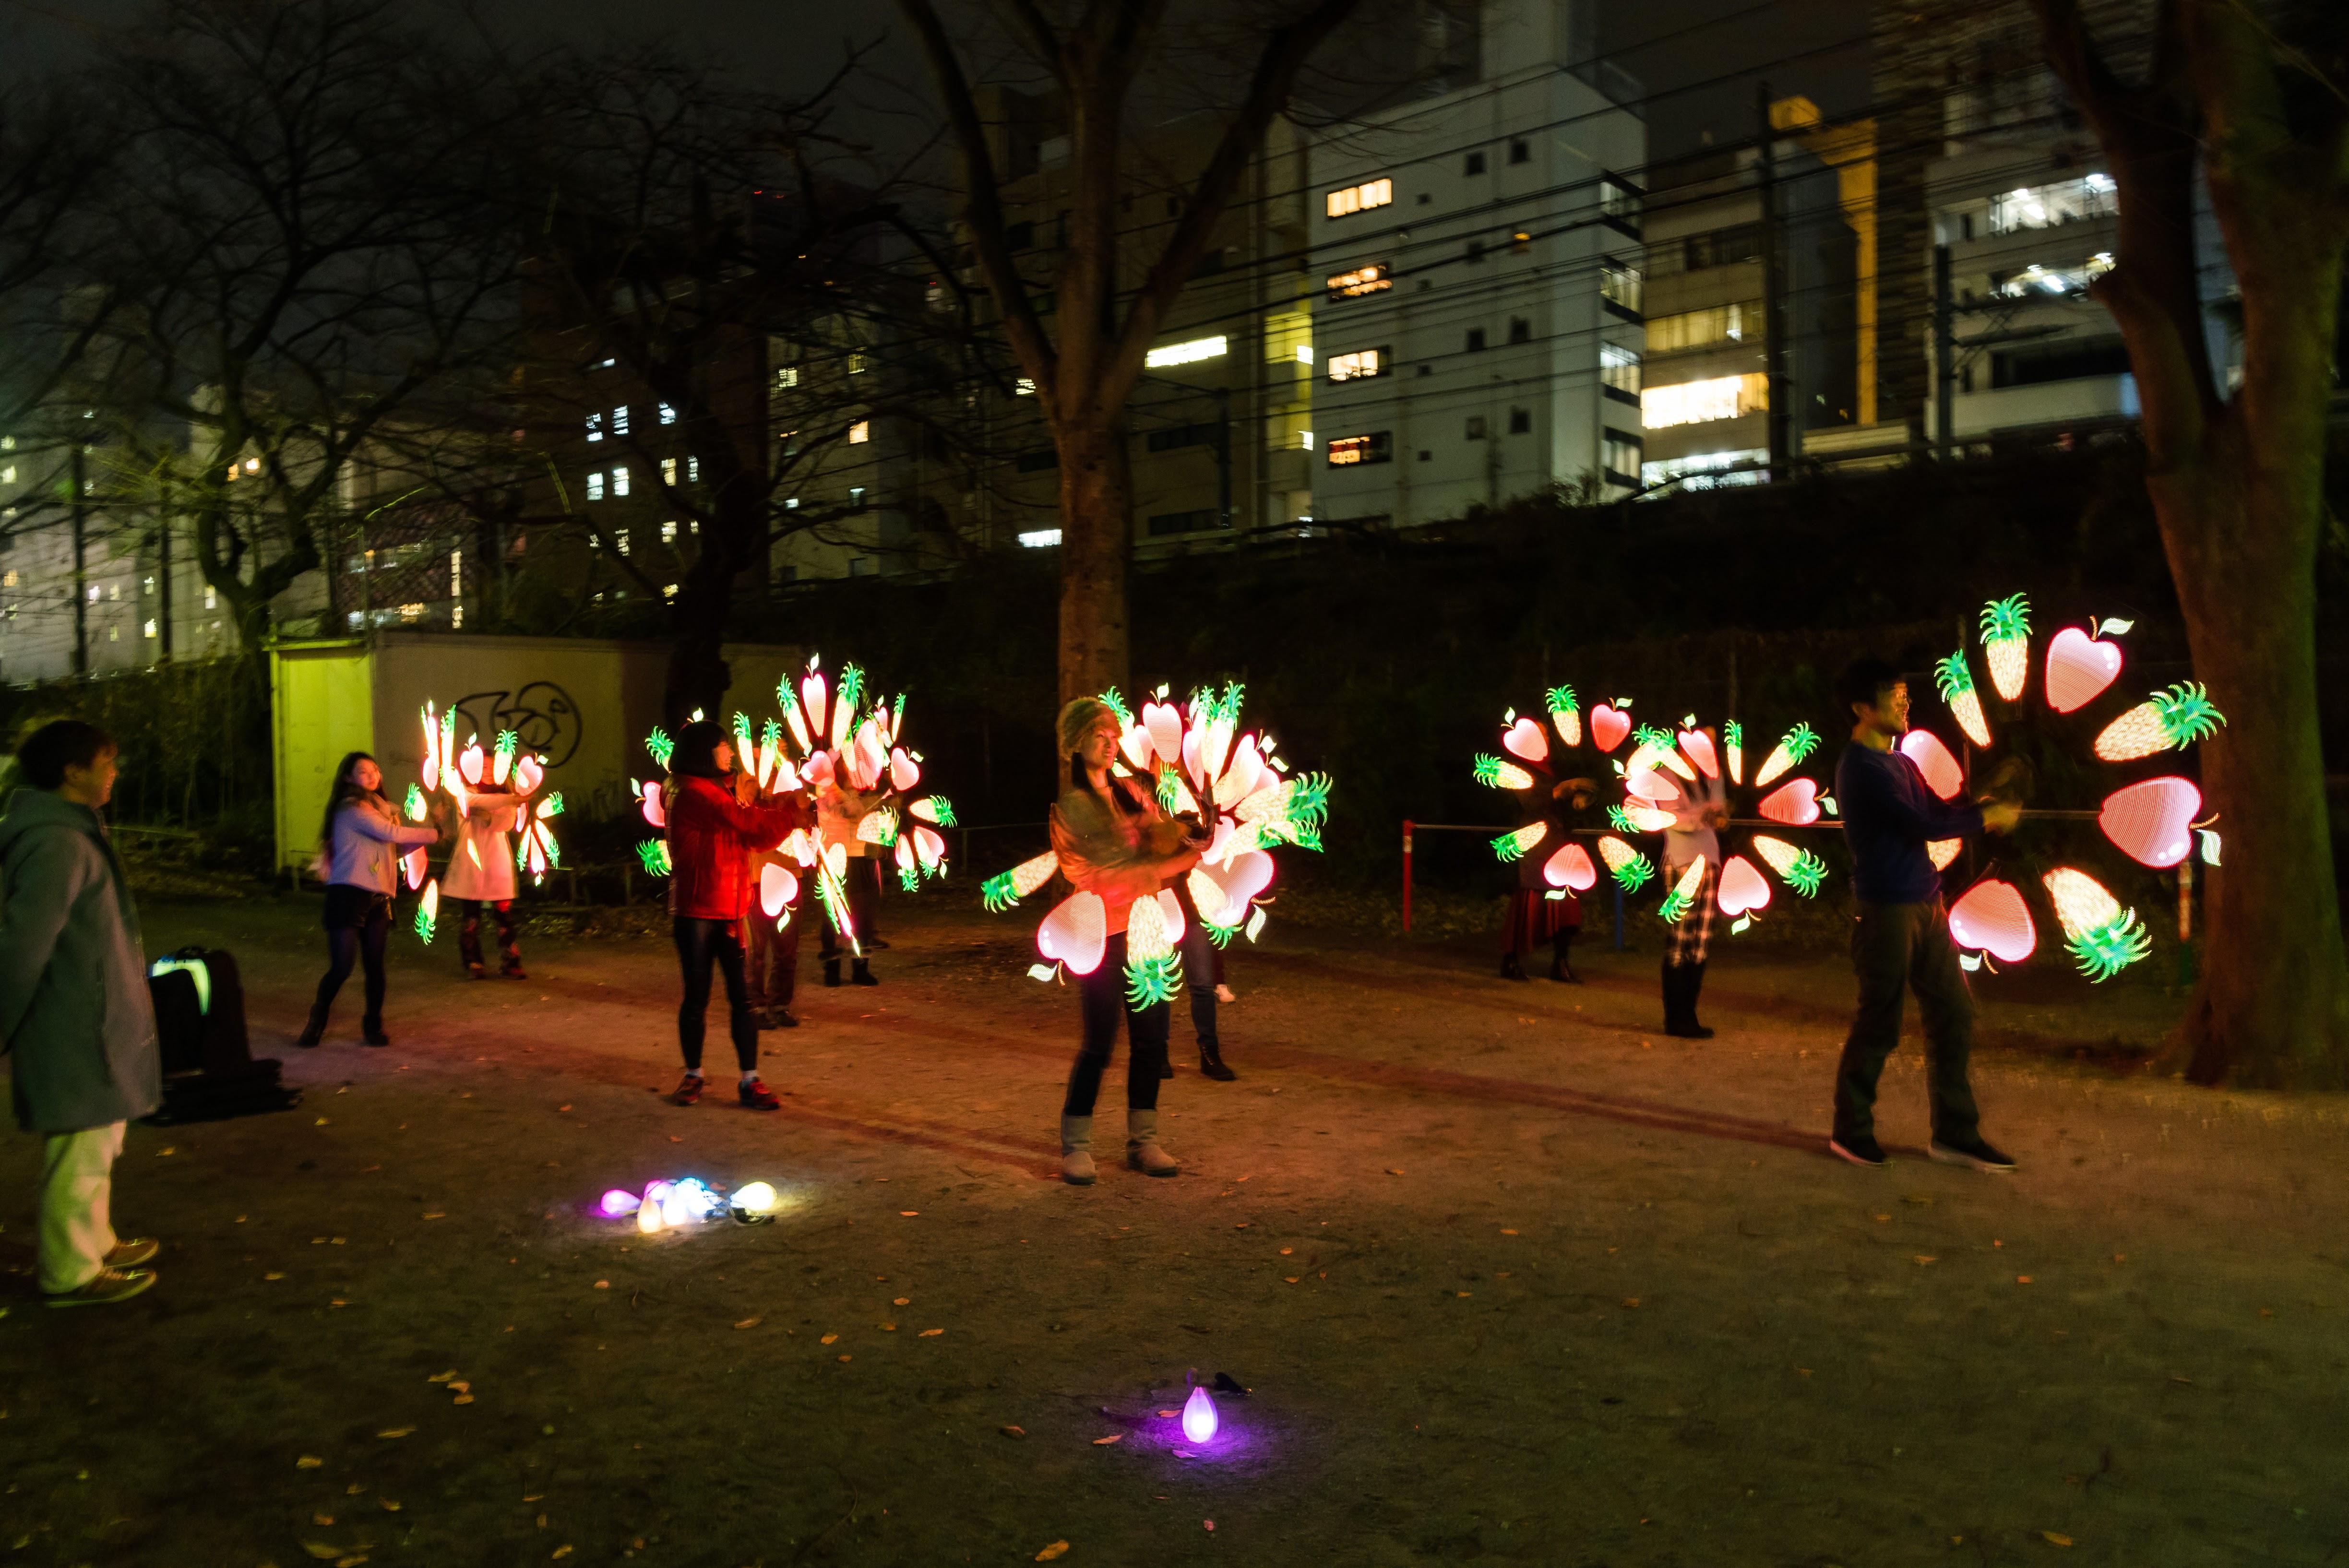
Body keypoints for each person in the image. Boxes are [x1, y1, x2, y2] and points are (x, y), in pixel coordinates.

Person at [1828, 658, 2023, 1172]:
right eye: (1892, 698)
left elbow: (1937, 811)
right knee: (1880, 1019)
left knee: (1953, 1013)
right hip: (1884, 908)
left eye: (1903, 696)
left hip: (1926, 902)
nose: (1903, 704)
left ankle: (1955, 1135)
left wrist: (1978, 802)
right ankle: (1850, 1131)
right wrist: (1985, 816)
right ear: (1861, 709)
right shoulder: (1859, 767)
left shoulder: (1901, 763)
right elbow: (1920, 824)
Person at [0, 720, 163, 1307]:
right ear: (73, 772)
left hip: (90, 1015)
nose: (113, 771)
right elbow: (23, 944)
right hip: (74, 1022)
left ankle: (96, 1241)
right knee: (80, 1148)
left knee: (98, 1139)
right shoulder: (58, 842)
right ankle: (69, 1271)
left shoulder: (68, 833)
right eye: (105, 761)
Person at [1052, 697, 1204, 1185]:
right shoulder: (1070, 808)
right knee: (1099, 1041)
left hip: (1149, 929)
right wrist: (1165, 858)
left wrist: (1188, 835)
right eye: (1099, 732)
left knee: (1151, 1040)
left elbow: (1162, 840)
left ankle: (1144, 1141)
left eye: (1114, 732)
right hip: (1102, 934)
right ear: (1075, 742)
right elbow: (1098, 872)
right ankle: (1075, 1146)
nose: (1110, 739)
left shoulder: (1131, 792)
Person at [663, 719, 803, 1110]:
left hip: (729, 906)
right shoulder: (691, 791)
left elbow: (750, 824)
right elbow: (746, 823)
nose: (730, 753)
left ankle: (749, 1080)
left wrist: (782, 809)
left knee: (742, 1000)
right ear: (706, 751)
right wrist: (791, 816)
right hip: (697, 911)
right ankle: (694, 1075)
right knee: (697, 997)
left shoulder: (715, 790)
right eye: (724, 746)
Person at [301, 752, 441, 1048]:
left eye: (375, 770)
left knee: (375, 966)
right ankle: (318, 1016)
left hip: (379, 897)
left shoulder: (382, 810)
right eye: (363, 772)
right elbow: (389, 833)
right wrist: (435, 832)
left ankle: (373, 1024)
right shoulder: (350, 808)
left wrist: (431, 830)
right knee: (342, 966)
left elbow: (395, 846)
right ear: (348, 778)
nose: (372, 775)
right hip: (348, 895)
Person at [1660, 733, 1728, 1037]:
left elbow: (1720, 809)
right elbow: (1672, 819)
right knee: (1680, 940)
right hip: (1680, 863)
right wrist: (1706, 815)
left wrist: (1720, 816)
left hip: (1710, 859)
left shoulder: (1712, 775)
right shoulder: (1665, 775)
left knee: (1701, 942)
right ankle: (1676, 1018)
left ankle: (1689, 1015)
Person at [1502, 776, 1594, 984]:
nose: (1545, 740)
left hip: (1561, 849)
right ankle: (1510, 961)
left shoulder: (1554, 765)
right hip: (1537, 849)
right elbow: (1528, 803)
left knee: (1566, 909)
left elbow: (1572, 808)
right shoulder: (1522, 769)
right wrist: (1557, 792)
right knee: (1528, 909)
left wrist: (1579, 797)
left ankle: (1560, 963)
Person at [444, 779, 524, 980]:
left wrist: (488, 815)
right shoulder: (464, 791)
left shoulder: (506, 794)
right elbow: (470, 801)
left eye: (492, 766)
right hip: (471, 860)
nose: (487, 770)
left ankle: (511, 961)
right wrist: (512, 800)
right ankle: (473, 962)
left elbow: (507, 824)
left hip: (496, 861)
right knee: (472, 916)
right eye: (483, 766)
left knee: (504, 914)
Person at [815, 775, 887, 987]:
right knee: (833, 916)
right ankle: (832, 969)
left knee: (864, 917)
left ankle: (861, 968)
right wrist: (841, 793)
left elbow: (869, 818)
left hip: (863, 858)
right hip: (835, 858)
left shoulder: (865, 794)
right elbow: (851, 812)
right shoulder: (826, 791)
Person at [742, 840, 802, 1030]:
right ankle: (755, 1006)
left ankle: (780, 1004)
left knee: (787, 948)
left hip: (788, 877)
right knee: (755, 950)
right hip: (754, 879)